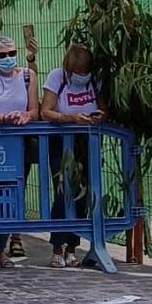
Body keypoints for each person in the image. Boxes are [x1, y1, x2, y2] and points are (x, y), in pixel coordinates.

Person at [0, 35, 37, 267]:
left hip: (18, 142)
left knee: (13, 195)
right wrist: (5, 118)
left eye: (12, 54)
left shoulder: (27, 76)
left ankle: (4, 248)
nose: (8, 58)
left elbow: (34, 110)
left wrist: (25, 116)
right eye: (3, 55)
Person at [40, 44, 102, 266]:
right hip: (61, 142)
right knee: (63, 190)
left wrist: (97, 117)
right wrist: (71, 119)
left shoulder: (96, 80)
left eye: (85, 72)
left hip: (88, 142)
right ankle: (57, 245)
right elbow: (45, 111)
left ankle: (73, 247)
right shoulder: (58, 77)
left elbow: (105, 107)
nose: (82, 76)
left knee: (84, 194)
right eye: (78, 71)